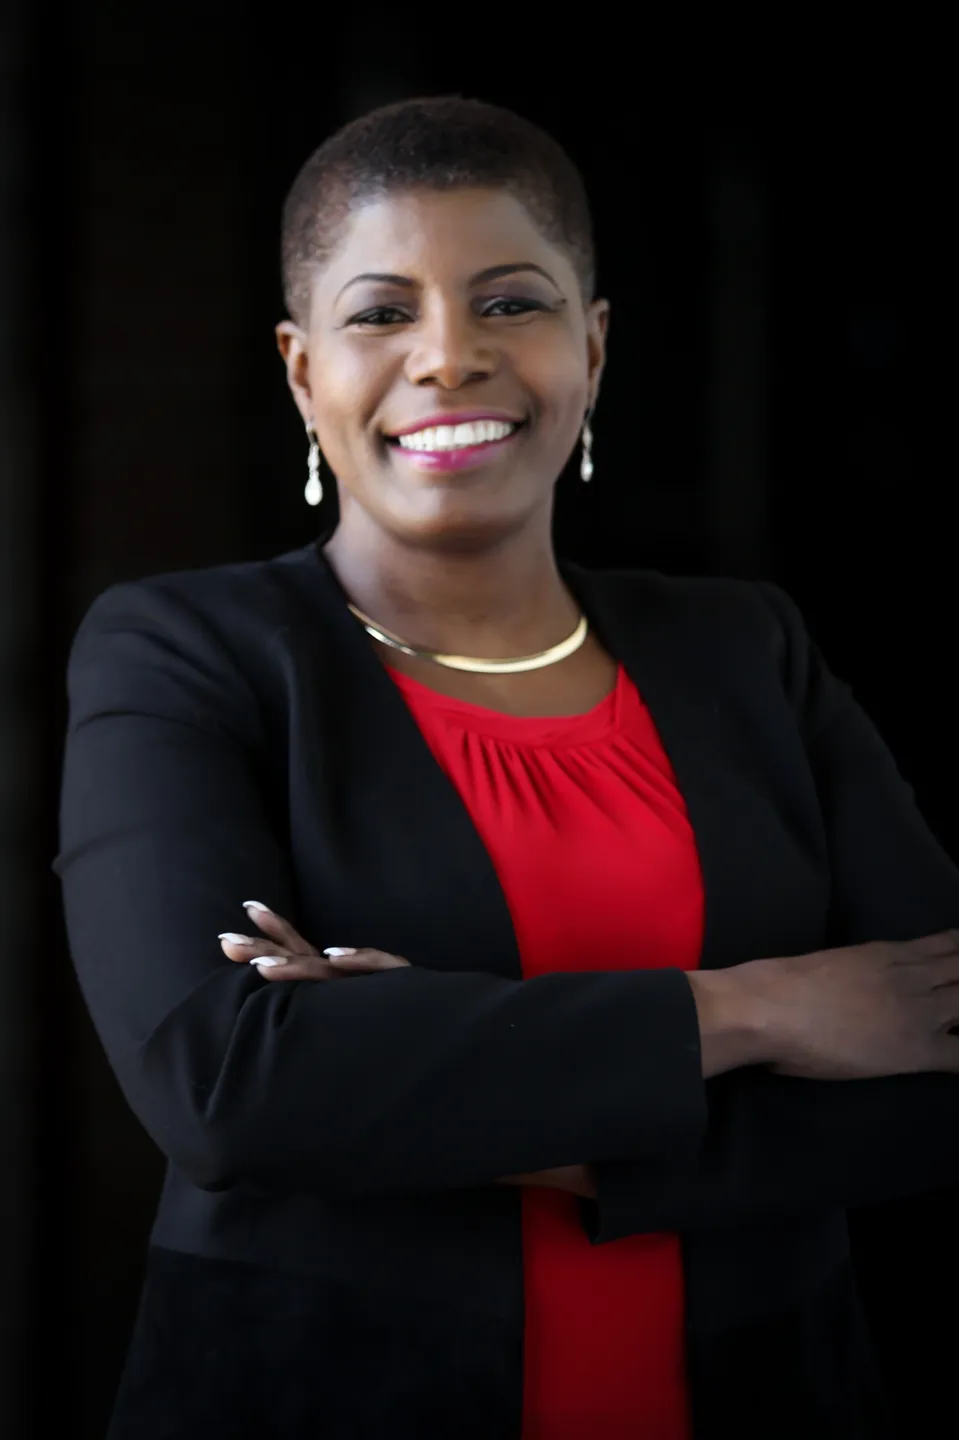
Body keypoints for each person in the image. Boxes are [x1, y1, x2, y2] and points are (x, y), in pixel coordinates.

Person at [54, 95, 959, 1440]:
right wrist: (757, 1011)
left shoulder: (741, 648)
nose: (447, 357)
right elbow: (232, 1092)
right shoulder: (185, 654)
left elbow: (933, 1071)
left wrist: (429, 1094)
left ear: (590, 350)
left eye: (510, 303)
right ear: (303, 373)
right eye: (379, 313)